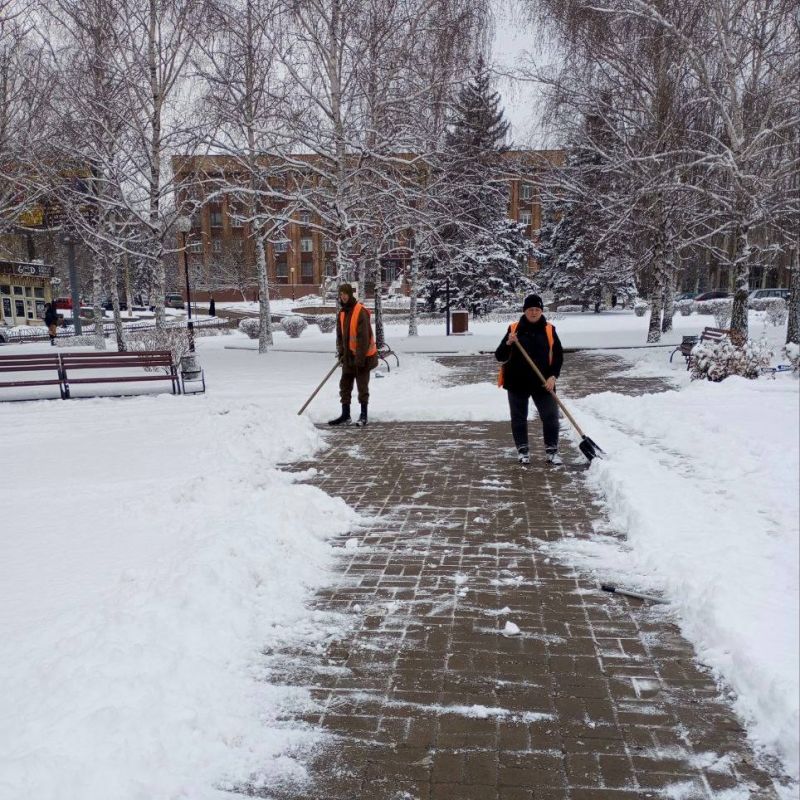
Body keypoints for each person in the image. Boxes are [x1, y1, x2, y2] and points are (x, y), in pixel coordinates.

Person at [495, 294, 564, 465]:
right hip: (517, 382)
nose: (534, 312)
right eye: (530, 309)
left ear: (541, 311)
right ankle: (523, 450)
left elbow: (558, 357)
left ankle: (551, 451)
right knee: (519, 417)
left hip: (543, 382)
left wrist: (553, 376)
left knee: (550, 416)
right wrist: (508, 343)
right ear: (525, 311)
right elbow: (499, 355)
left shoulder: (549, 329)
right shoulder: (513, 329)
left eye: (537, 309)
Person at [329, 283, 378, 427]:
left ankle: (363, 415)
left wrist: (360, 359)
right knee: (344, 386)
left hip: (362, 358)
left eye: (345, 293)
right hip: (348, 358)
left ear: (350, 294)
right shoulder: (342, 313)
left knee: (362, 387)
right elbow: (340, 336)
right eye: (341, 294)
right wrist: (341, 353)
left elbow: (364, 338)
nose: (343, 296)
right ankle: (345, 415)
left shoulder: (360, 311)